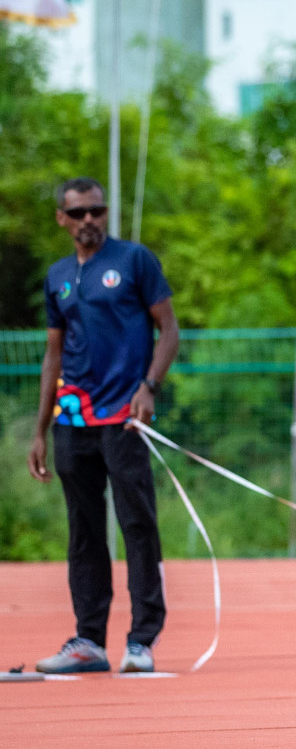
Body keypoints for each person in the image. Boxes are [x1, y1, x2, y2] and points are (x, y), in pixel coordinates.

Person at [27, 177, 179, 675]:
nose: (89, 219)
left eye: (97, 210)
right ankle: (89, 641)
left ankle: (141, 640)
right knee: (84, 530)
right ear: (62, 219)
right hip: (72, 417)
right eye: (79, 213)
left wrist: (149, 388)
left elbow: (169, 330)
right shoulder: (58, 276)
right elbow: (53, 353)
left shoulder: (134, 260)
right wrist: (40, 428)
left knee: (137, 523)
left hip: (124, 417)